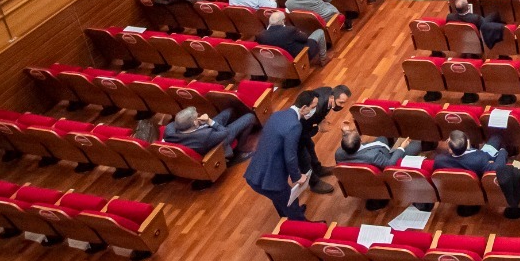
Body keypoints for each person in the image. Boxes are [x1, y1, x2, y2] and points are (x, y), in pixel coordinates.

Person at [244, 91, 320, 220]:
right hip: (270, 177)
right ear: (303, 108)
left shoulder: (277, 115)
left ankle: (285, 218)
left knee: (280, 199)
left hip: (256, 172)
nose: (314, 110)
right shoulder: (294, 125)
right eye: (313, 107)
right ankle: (303, 226)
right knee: (291, 202)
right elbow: (290, 156)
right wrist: (297, 176)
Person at [164, 105, 255, 161]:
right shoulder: (205, 137)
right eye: (197, 116)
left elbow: (175, 123)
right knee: (250, 117)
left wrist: (199, 124)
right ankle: (241, 146)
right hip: (218, 141)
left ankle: (238, 129)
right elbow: (225, 132)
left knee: (230, 110)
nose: (199, 115)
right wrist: (210, 122)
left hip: (202, 130)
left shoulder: (169, 132)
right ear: (195, 122)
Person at [255, 10, 325, 66]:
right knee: (319, 32)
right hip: (301, 55)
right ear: (283, 21)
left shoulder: (261, 35)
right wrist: (299, 32)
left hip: (279, 62)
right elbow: (305, 38)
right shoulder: (289, 30)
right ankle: (323, 59)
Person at [336, 125, 421, 169]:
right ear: (360, 140)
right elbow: (390, 164)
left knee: (382, 138)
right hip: (389, 157)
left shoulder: (338, 153)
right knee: (417, 145)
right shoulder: (373, 156)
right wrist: (401, 148)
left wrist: (346, 133)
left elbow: (349, 141)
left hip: (376, 150)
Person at [432, 128, 509, 173]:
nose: (446, 141)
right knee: (497, 136)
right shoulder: (479, 160)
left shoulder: (439, 160)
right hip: (485, 157)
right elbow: (498, 167)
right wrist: (502, 152)